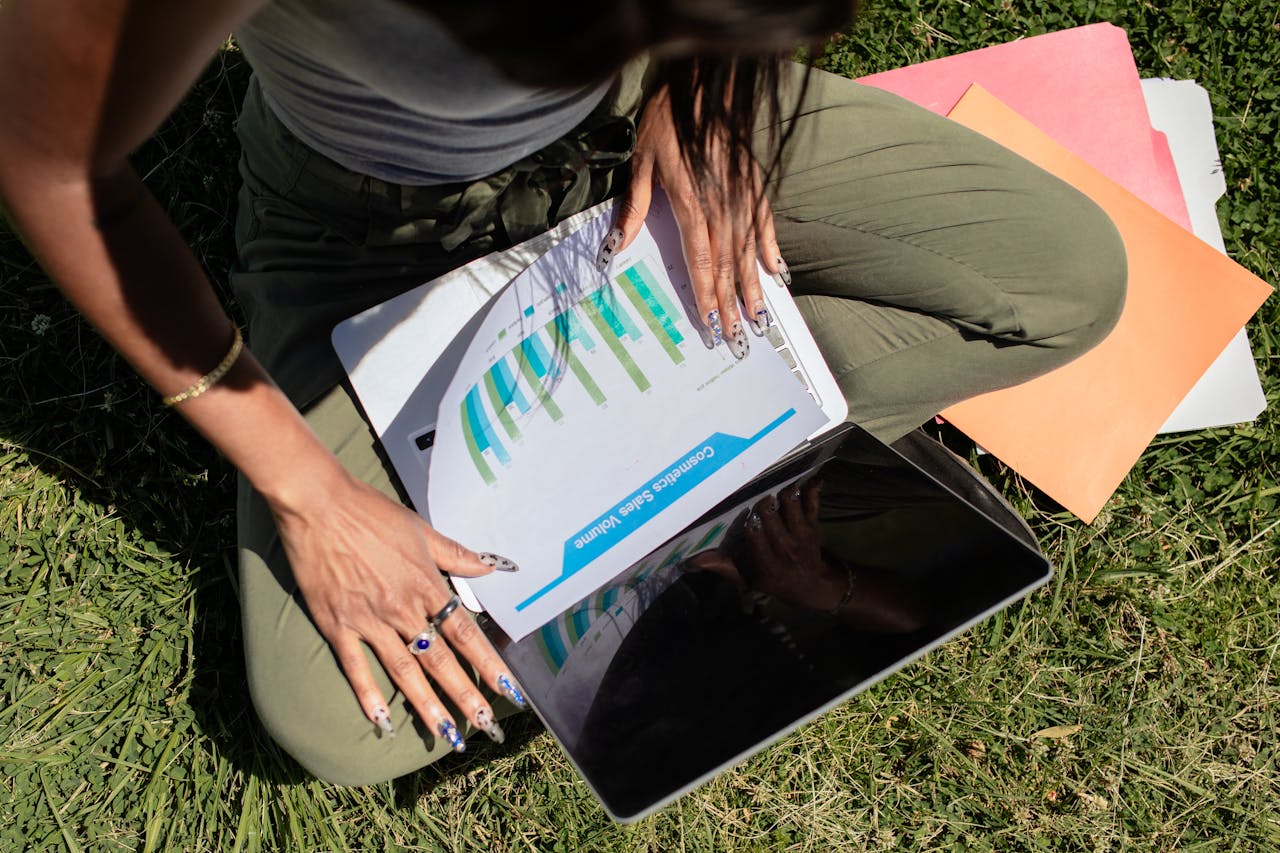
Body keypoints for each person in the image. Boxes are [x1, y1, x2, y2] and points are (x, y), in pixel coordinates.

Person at [0, 0, 1126, 785]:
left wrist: (706, 84)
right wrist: (311, 495)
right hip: (367, 232)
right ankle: (665, 480)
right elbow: (41, 156)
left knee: (1061, 284)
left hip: (644, 130)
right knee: (340, 724)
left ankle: (643, 480)